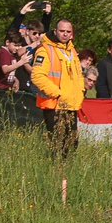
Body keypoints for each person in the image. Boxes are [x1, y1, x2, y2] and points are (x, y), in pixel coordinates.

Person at [31, 20, 86, 158]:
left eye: (68, 31)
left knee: (72, 143)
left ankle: (67, 174)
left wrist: (80, 93)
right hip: (54, 104)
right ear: (55, 31)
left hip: (71, 104)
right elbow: (37, 76)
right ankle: (56, 173)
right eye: (62, 31)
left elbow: (79, 75)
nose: (65, 34)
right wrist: (57, 93)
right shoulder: (45, 49)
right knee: (58, 143)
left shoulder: (72, 50)